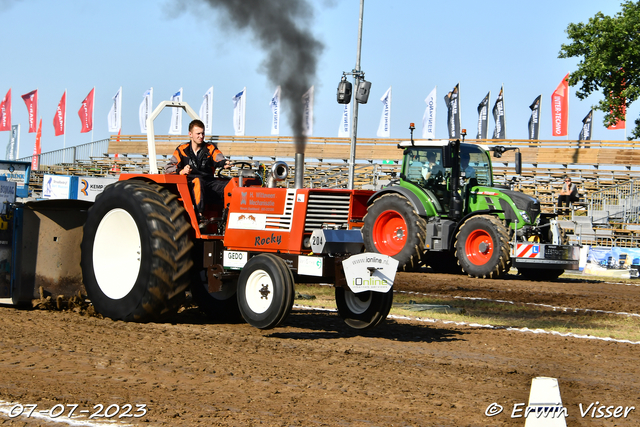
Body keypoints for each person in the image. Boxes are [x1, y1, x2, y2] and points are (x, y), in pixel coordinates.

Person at [165, 119, 232, 225]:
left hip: (209, 182)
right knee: (198, 180)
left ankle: (229, 219)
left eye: (203, 133)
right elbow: (168, 168)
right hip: (190, 183)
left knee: (231, 186)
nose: (201, 136)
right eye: (198, 133)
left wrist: (224, 163)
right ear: (190, 134)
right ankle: (199, 216)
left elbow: (218, 157)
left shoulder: (210, 148)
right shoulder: (182, 149)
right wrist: (181, 171)